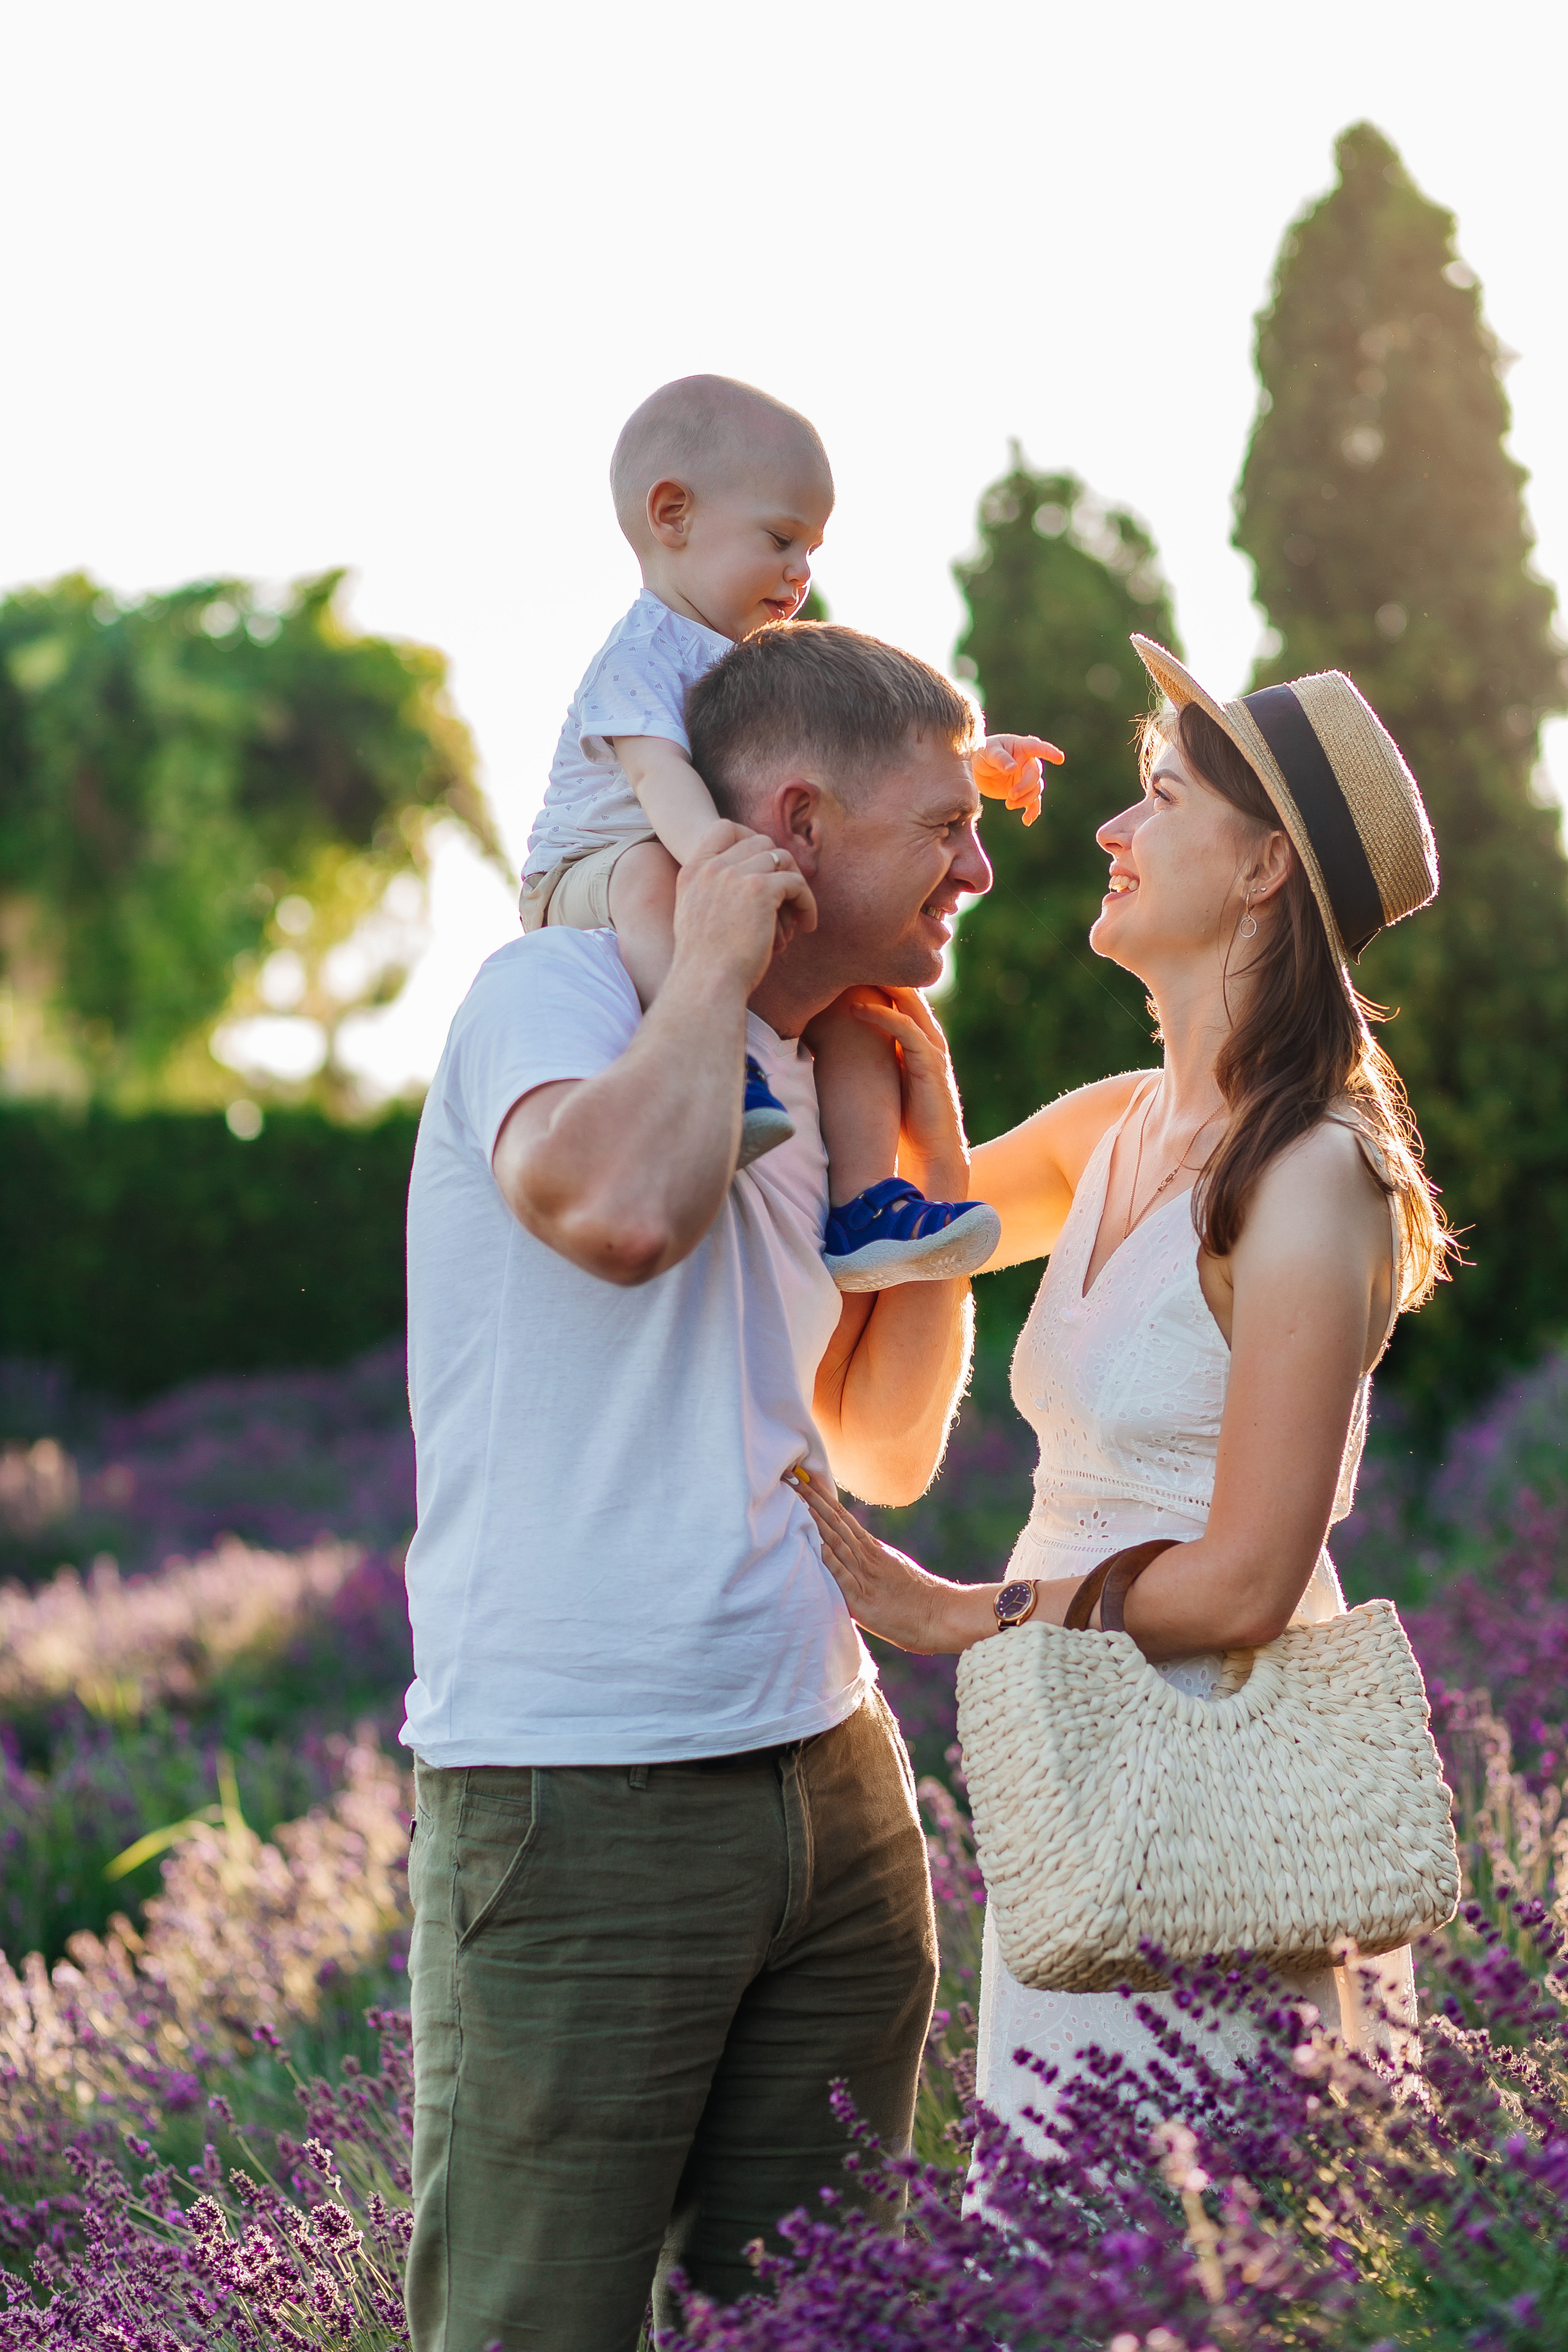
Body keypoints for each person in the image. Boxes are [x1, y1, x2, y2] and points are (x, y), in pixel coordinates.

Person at [401, 621, 993, 2351]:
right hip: (585, 1798)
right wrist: (710, 978)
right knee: (534, 2326)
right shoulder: (553, 997)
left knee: (818, 2324)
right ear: (793, 828)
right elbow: (619, 1213)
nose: (974, 865)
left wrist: (933, 1188)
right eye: (941, 827)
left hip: (838, 1781)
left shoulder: (831, 1075)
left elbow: (885, 1443)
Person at [794, 633, 1453, 2160]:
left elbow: (1240, 1585)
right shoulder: (1115, 1127)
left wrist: (964, 1610)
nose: (1107, 826)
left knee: (1197, 2257)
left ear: (1263, 872)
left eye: (1156, 795)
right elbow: (909, 1229)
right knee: (1062, 2257)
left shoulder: (1311, 1181)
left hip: (1224, 1805)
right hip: (1082, 1793)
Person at [519, 371, 1058, 1289]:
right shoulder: (641, 655)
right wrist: (721, 862)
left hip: (702, 874)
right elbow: (659, 780)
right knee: (654, 868)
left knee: (857, 1010)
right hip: (589, 874)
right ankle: (715, 1063)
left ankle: (863, 1207)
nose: (801, 572)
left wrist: (967, 766)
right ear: (673, 515)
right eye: (780, 540)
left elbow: (852, 768)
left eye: (812, 547)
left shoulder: (750, 664)